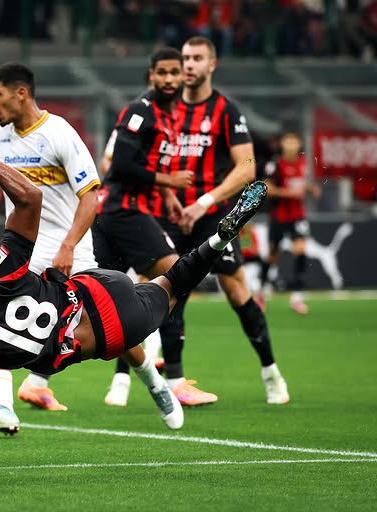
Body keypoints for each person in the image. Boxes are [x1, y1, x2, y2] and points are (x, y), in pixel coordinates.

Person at [0, 117, 269, 477]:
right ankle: (217, 240)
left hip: (105, 335)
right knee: (171, 282)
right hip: (98, 286)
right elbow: (30, 196)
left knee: (164, 294)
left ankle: (25, 398)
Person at [0, 63, 101, 433]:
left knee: (103, 326)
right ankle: (5, 407)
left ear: (21, 93)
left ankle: (157, 384)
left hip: (69, 246)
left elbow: (90, 196)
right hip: (24, 248)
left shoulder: (59, 132)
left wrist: (69, 246)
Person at [158, 35, 289, 405]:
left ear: (212, 64)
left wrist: (203, 203)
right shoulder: (164, 108)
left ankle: (271, 372)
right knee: (168, 291)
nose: (189, 64)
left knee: (236, 291)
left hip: (214, 217)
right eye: (185, 58)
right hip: (171, 214)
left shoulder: (226, 111)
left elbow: (247, 169)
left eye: (197, 58)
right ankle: (175, 383)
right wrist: (168, 196)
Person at [92, 48, 194, 407]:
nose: (168, 79)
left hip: (119, 212)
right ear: (151, 75)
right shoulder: (140, 111)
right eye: (162, 72)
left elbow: (143, 163)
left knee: (113, 301)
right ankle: (175, 378)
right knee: (179, 276)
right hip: (123, 211)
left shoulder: (170, 116)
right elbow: (119, 164)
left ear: (182, 76)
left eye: (174, 72)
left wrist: (167, 194)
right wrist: (169, 181)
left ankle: (120, 381)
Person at [260, 131, 320, 315]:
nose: (291, 144)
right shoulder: (275, 164)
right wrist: (289, 193)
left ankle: (297, 298)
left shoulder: (304, 163)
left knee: (300, 250)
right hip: (279, 216)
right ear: (282, 144)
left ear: (299, 144)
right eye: (288, 140)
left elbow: (303, 184)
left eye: (294, 140)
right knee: (272, 255)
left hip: (297, 215)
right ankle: (261, 293)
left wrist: (311, 189)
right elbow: (267, 188)